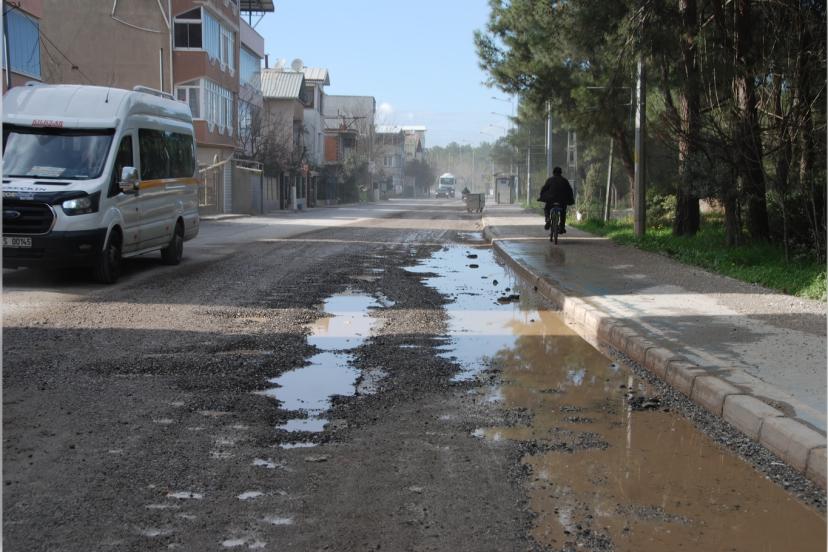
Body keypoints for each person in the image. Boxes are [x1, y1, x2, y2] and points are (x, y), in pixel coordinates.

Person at [537, 166, 575, 233]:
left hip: (551, 200)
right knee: (563, 212)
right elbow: (570, 191)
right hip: (562, 201)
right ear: (561, 173)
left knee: (546, 208)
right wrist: (571, 199)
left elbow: (544, 189)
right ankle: (562, 226)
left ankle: (548, 219)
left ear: (553, 173)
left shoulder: (550, 180)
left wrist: (541, 197)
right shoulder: (565, 180)